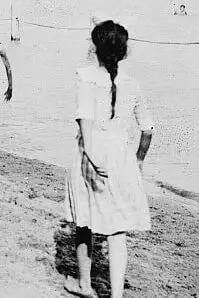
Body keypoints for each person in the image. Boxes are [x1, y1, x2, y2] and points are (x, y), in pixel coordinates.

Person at [63, 19, 155, 298]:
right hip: (121, 157)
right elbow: (148, 128)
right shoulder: (132, 83)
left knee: (84, 223)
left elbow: (85, 124)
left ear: (94, 47)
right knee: (117, 231)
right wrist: (138, 160)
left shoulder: (85, 76)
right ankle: (116, 295)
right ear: (124, 52)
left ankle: (85, 284)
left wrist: (91, 157)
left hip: (91, 156)